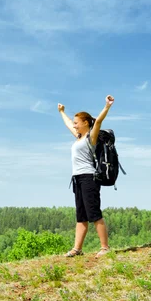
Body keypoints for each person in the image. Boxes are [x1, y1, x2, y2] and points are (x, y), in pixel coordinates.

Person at [57, 95, 115, 258]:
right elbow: (68, 124)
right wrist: (62, 112)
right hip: (77, 179)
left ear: (85, 123)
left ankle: (105, 247)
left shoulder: (91, 137)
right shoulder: (79, 137)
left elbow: (98, 122)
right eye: (74, 123)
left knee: (94, 213)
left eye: (77, 122)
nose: (74, 125)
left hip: (89, 178)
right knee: (81, 215)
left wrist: (107, 106)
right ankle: (77, 249)